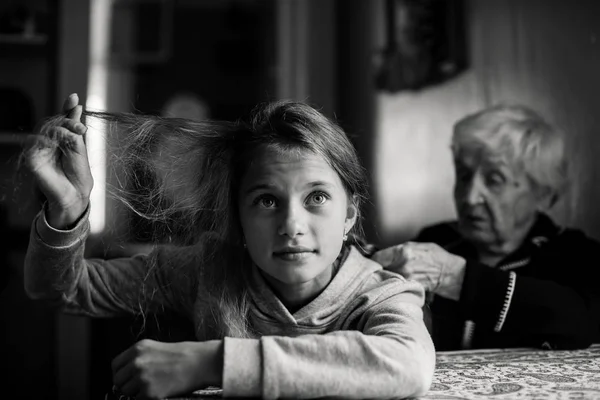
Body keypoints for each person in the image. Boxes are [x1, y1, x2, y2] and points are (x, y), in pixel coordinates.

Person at [23, 94, 435, 399]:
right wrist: (68, 209)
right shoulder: (208, 271)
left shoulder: (381, 293)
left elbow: (408, 365)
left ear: (349, 215)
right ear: (238, 218)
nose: (292, 226)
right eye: (267, 201)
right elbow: (61, 289)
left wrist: (209, 362)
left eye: (317, 198)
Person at [373, 104, 600, 351]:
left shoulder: (576, 254)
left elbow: (582, 322)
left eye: (494, 180)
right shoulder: (437, 240)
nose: (470, 197)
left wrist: (455, 277)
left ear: (542, 194)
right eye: (464, 175)